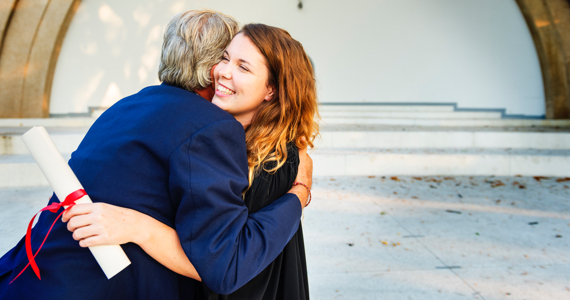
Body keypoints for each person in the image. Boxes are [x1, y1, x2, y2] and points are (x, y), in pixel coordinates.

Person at [0, 10, 312, 300]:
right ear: (210, 64)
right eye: (225, 58)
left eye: (242, 66)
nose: (224, 72)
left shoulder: (129, 105)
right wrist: (300, 194)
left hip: (32, 271)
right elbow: (225, 264)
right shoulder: (210, 128)